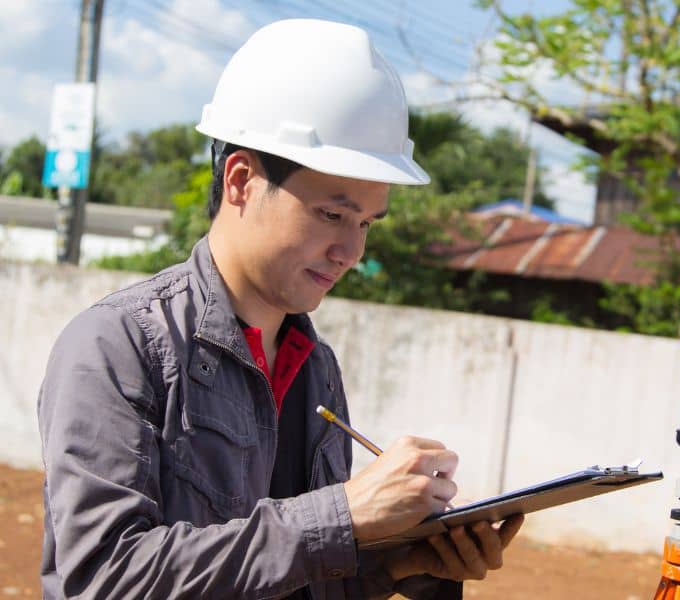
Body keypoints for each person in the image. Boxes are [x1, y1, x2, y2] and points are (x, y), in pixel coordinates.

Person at [37, 19, 523, 599]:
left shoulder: (315, 368)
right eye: (331, 215)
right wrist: (340, 517)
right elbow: (106, 578)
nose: (351, 251)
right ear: (241, 181)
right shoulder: (119, 345)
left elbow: (295, 577)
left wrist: (399, 562)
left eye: (366, 223)